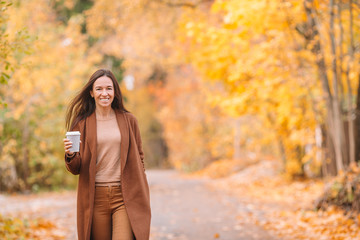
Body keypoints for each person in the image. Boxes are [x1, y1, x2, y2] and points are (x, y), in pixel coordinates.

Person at [63, 69, 151, 240]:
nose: (105, 93)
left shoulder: (129, 120)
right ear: (91, 92)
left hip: (124, 197)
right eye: (99, 89)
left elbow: (139, 157)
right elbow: (76, 169)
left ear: (115, 92)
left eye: (109, 89)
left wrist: (140, 188)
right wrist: (71, 154)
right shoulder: (82, 123)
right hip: (95, 197)